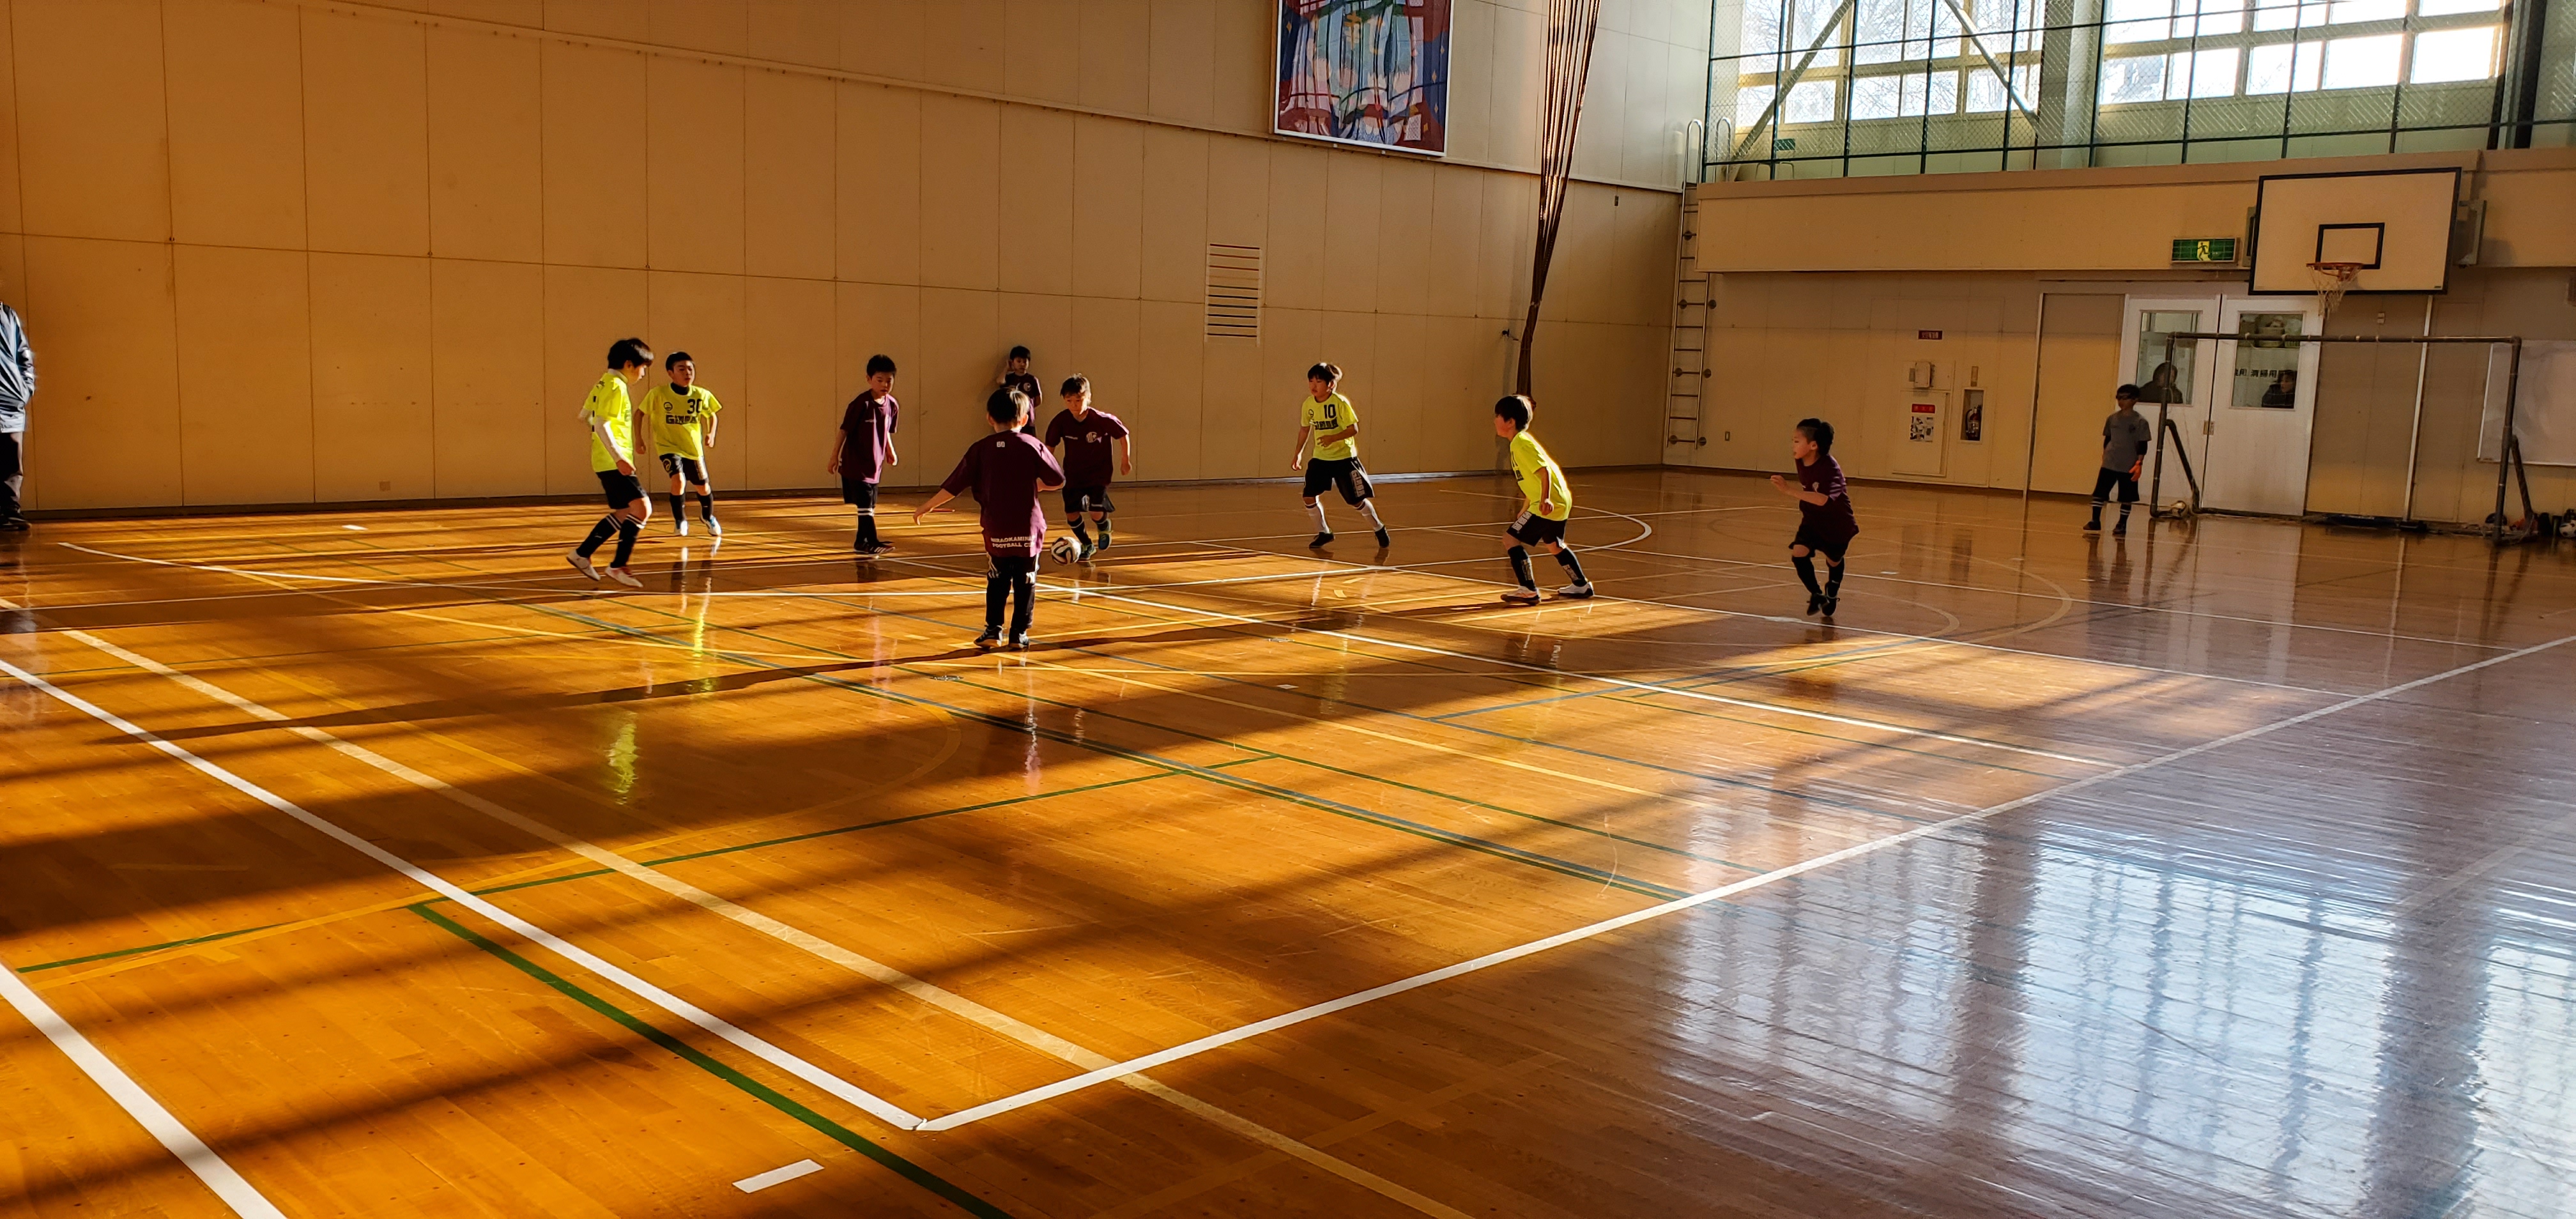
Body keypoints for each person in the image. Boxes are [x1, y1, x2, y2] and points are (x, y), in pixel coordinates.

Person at [914, 388, 1064, 651]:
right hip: (1028, 527)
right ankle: (1019, 634)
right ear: (1025, 419)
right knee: (1026, 578)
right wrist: (1036, 486)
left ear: (989, 418)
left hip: (997, 527)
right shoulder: (1032, 445)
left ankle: (994, 630)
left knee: (997, 576)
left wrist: (927, 506)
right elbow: (1058, 479)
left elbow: (955, 485)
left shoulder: (981, 449)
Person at [565, 337, 656, 588]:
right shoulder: (616, 387)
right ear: (629, 365)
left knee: (625, 512)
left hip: (602, 459)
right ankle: (618, 566)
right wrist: (618, 456)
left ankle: (582, 554)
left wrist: (602, 441)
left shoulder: (603, 383)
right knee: (643, 509)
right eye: (643, 368)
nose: (643, 374)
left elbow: (584, 416)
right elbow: (601, 423)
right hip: (613, 461)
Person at [1492, 395, 1592, 605]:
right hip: (1559, 500)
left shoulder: (1521, 443)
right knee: (1554, 544)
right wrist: (1526, 506)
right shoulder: (1521, 442)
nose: (1495, 420)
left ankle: (1528, 589)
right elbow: (1532, 479)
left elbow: (1544, 471)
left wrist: (1544, 500)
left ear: (1510, 422)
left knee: (1510, 540)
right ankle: (1581, 585)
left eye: (1498, 416)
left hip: (1548, 502)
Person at [1288, 362, 1389, 549]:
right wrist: (1298, 453)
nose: (1313, 386)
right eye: (1311, 381)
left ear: (1331, 385)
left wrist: (1333, 438)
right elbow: (1305, 429)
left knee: (1355, 500)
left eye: (1319, 382)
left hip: (1344, 459)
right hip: (1321, 458)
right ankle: (1324, 532)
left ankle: (1379, 528)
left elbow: (1354, 429)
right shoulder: (1308, 405)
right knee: (1309, 496)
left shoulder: (1340, 403)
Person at [1768, 417, 1855, 619]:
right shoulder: (1800, 460)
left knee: (1834, 560)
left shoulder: (1831, 469)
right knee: (1799, 554)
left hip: (1836, 522)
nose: (1793, 445)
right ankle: (1817, 594)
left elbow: (1823, 500)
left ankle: (1832, 591)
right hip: (1813, 517)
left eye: (1797, 441)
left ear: (1813, 445)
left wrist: (1789, 490)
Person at [1041, 374, 1131, 558]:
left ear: (1088, 397)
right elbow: (1049, 448)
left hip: (1098, 473)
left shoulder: (1101, 419)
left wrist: (1125, 460)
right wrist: (1045, 471)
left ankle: (1104, 526)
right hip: (1073, 474)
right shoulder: (1060, 421)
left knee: (1096, 513)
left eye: (1078, 400)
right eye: (1069, 401)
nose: (1074, 405)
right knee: (1071, 514)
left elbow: (1123, 435)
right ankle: (1086, 544)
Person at [641, 351, 724, 537]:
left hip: (692, 448)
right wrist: (639, 439)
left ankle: (707, 516)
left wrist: (711, 434)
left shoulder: (701, 394)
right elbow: (640, 413)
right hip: (668, 446)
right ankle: (680, 520)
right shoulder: (659, 394)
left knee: (703, 487)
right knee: (678, 480)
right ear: (670, 373)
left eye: (690, 369)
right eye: (682, 369)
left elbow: (712, 415)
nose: (688, 373)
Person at [829, 354, 900, 556]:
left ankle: (862, 541)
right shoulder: (861, 404)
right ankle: (871, 541)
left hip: (874, 465)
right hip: (856, 464)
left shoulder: (892, 405)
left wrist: (890, 450)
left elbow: (886, 431)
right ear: (869, 379)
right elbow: (844, 430)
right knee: (865, 506)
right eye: (880, 380)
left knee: (870, 506)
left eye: (889, 381)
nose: (885, 385)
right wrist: (834, 456)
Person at [2088, 384, 2152, 535]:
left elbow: (2143, 445)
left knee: (2126, 496)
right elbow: (2108, 439)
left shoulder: (2140, 422)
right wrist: (2105, 454)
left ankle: (2122, 524)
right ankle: (2095, 521)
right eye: (2119, 398)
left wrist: (2139, 463)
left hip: (2129, 464)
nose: (2121, 402)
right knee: (2100, 492)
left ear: (2135, 400)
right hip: (2110, 462)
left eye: (2125, 398)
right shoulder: (2112, 419)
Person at [0, 299, 30, 530]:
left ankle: (11, 511)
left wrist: (25, 389)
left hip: (10, 401)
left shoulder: (8, 313)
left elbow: (23, 354)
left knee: (11, 461)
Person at [995, 345, 1041, 436]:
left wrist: (1026, 406)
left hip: (1028, 419)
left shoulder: (1032, 380)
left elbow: (1038, 400)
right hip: (1012, 420)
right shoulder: (1009, 378)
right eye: (1019, 361)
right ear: (1012, 362)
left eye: (1025, 362)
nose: (1022, 364)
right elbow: (1000, 381)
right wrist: (1007, 368)